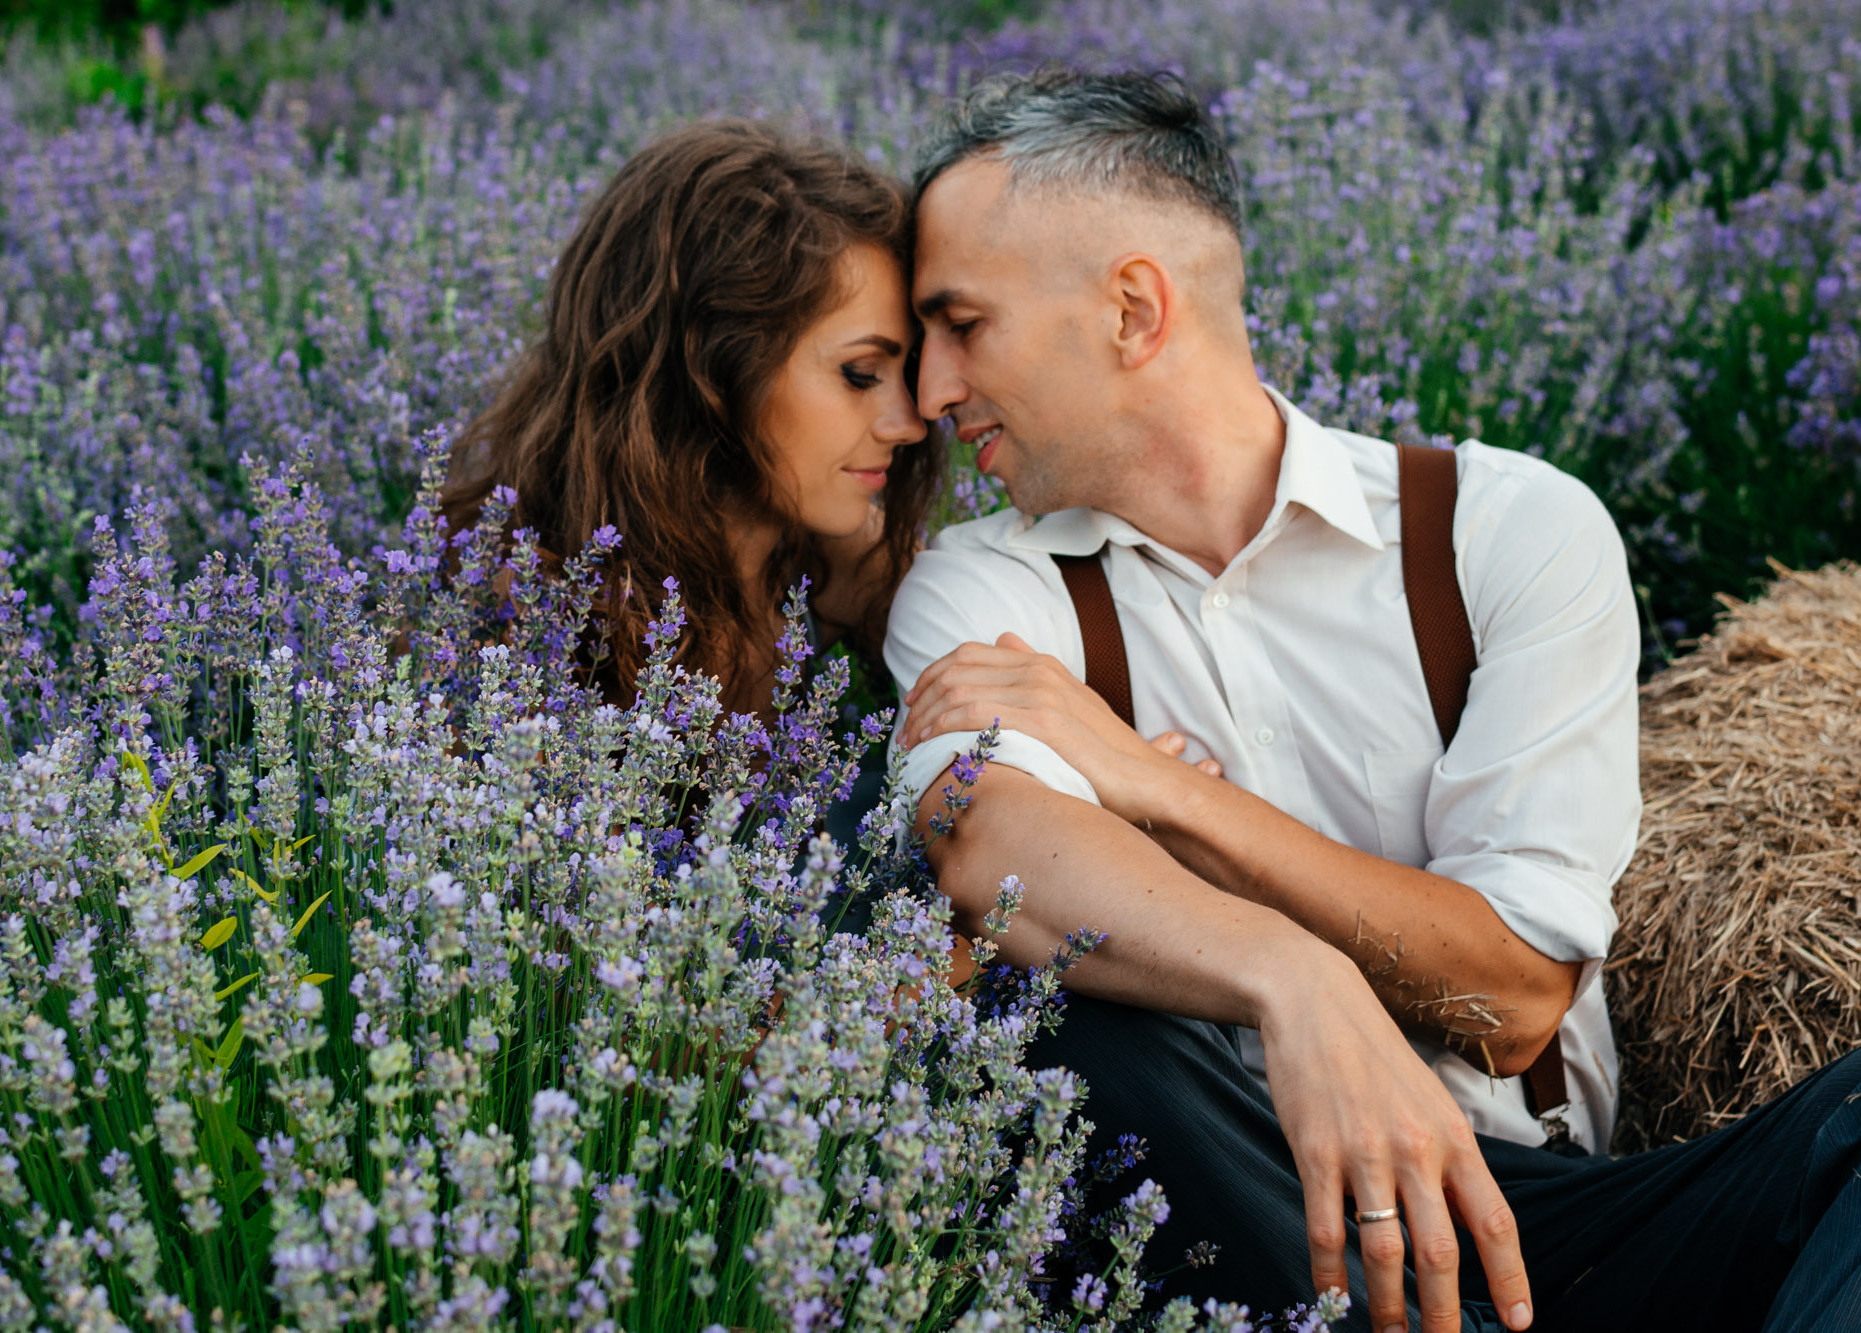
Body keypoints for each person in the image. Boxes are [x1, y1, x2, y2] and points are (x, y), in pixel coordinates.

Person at [883, 69, 1861, 1332]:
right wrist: (1294, 980)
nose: (928, 390)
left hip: (1538, 1227)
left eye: (961, 324)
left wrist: (1165, 798)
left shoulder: (1506, 532)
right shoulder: (979, 589)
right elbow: (985, 835)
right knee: (1070, 1028)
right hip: (1232, 1203)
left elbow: (1510, 1002)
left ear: (1131, 309)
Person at [441, 119, 939, 727]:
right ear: (713, 367)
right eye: (860, 373)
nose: (911, 424)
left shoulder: (838, 562)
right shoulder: (537, 611)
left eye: (908, 371)